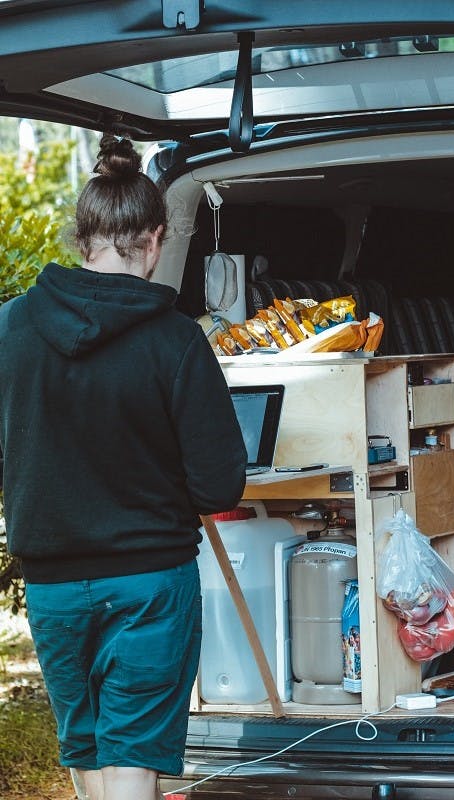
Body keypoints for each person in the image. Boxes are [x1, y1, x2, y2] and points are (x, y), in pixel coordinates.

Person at [0, 134, 247, 800]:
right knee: (133, 756)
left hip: (51, 585)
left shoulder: (11, 328)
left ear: (82, 240)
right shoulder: (176, 341)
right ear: (156, 239)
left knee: (89, 751)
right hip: (149, 584)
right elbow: (218, 484)